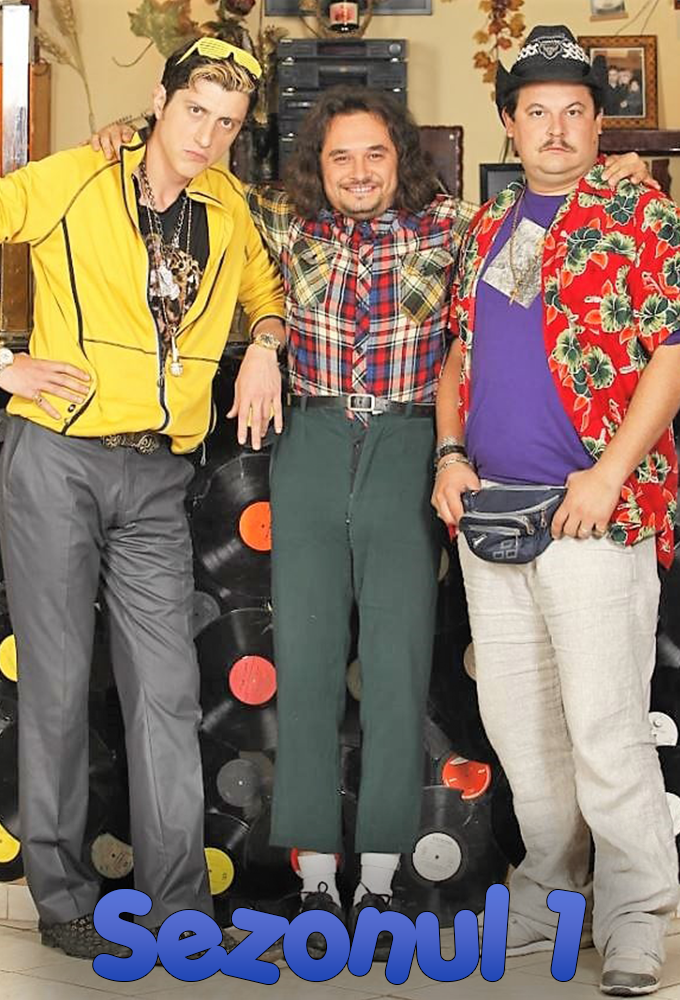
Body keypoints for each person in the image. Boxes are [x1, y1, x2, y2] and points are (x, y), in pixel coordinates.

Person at [93, 84, 652, 959]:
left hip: (408, 445)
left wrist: (619, 171)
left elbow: (550, 201)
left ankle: (381, 882)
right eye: (340, 157)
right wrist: (129, 131)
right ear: (318, 167)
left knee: (396, 665)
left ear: (402, 159)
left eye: (375, 155)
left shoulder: (457, 226)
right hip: (312, 443)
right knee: (306, 661)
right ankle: (318, 878)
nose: (358, 172)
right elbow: (191, 167)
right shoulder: (283, 222)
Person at [0, 37, 284, 960]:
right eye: (195, 111)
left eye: (227, 123)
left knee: (166, 691)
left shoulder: (227, 206)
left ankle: (179, 910)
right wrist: (2, 364)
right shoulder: (75, 177)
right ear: (161, 102)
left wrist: (267, 342)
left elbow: (263, 287)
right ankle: (62, 898)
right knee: (55, 686)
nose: (207, 135)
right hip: (59, 457)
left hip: (159, 476)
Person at [432, 24, 680, 996]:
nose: (555, 128)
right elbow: (455, 355)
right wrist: (449, 454)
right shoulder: (485, 228)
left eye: (573, 111)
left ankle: (636, 917)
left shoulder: (637, 213)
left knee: (606, 732)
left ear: (596, 123)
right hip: (494, 517)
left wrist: (609, 473)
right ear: (510, 122)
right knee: (521, 731)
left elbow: (670, 351)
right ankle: (547, 892)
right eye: (536, 111)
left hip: (592, 516)